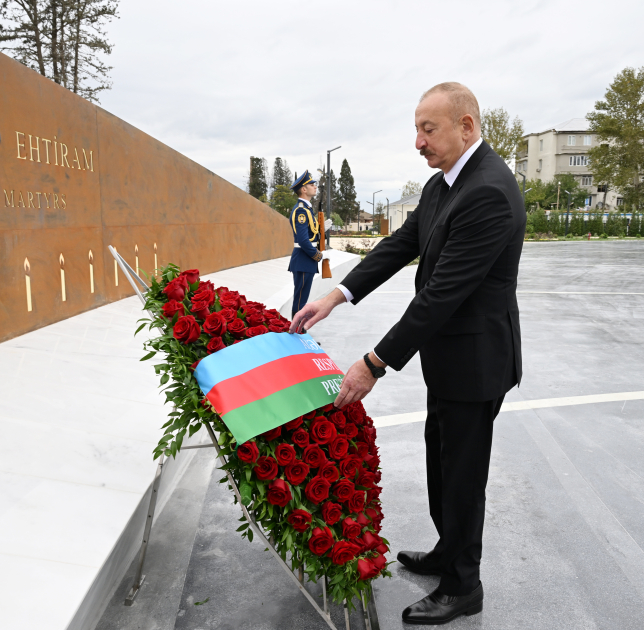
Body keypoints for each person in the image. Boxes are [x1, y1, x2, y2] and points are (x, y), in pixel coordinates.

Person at [290, 82, 525, 625]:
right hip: (447, 360)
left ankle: (464, 585)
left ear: (466, 126)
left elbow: (441, 295)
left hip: (477, 362)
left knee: (463, 476)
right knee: (442, 462)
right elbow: (399, 246)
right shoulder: (443, 184)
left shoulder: (489, 190)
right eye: (417, 129)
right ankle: (448, 550)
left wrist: (373, 363)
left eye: (428, 129)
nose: (418, 141)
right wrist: (335, 295)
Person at [287, 170, 330, 320]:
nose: (315, 187)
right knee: (300, 300)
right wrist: (319, 256)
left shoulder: (306, 209)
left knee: (302, 298)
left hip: (305, 260)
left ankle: (299, 328)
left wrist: (322, 230)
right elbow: (303, 240)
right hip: (303, 259)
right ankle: (297, 330)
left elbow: (310, 234)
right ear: (304, 189)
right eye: (312, 184)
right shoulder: (301, 211)